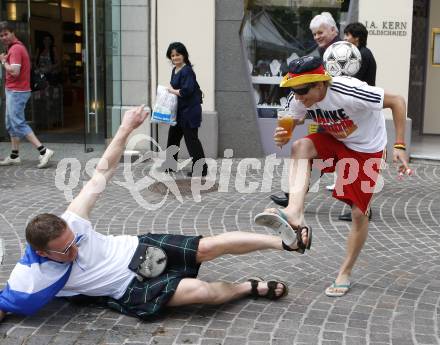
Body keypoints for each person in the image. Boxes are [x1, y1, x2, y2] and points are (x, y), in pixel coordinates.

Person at [0, 105, 292, 322]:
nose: (74, 248)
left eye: (73, 240)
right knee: (203, 293)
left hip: (137, 249)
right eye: (65, 250)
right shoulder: (32, 276)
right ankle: (247, 287)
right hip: (126, 287)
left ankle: (284, 243)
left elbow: (102, 171)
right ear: (44, 254)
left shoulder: (73, 221)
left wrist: (126, 128)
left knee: (208, 246)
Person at [255, 56, 411, 297]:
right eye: (294, 91)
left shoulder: (350, 91)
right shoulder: (301, 96)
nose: (298, 96)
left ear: (320, 84)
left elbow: (397, 101)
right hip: (337, 140)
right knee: (300, 148)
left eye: (303, 90)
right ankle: (295, 212)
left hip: (367, 149)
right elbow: (295, 117)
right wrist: (287, 133)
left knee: (359, 214)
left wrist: (400, 145)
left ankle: (345, 272)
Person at [270, 12, 340, 207]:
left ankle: (358, 206)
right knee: (310, 155)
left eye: (320, 32)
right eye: (314, 34)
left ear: (333, 30)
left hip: (344, 118)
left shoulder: (339, 52)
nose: (317, 37)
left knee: (344, 158)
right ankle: (293, 196)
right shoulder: (321, 54)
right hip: (327, 117)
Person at [0, 21, 54, 168]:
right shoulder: (13, 48)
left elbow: (15, 72)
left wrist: (3, 62)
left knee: (18, 123)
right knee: (10, 124)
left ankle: (44, 151)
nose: (3, 37)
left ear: (13, 33)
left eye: (6, 34)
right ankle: (14, 155)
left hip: (17, 92)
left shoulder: (16, 49)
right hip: (13, 90)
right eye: (1, 35)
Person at [161, 42, 207, 177]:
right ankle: (170, 165)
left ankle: (201, 169)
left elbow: (186, 91)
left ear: (184, 55)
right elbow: (175, 87)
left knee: (191, 140)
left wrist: (171, 91)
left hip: (190, 111)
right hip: (179, 111)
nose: (175, 58)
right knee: (173, 138)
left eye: (178, 55)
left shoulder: (187, 71)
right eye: (172, 55)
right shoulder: (175, 70)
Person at [34, 33, 61, 129]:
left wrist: (49, 68)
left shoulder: (53, 49)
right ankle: (40, 121)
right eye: (45, 39)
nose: (47, 41)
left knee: (51, 100)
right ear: (42, 41)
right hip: (41, 76)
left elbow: (58, 62)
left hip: (51, 76)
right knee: (40, 100)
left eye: (49, 40)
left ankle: (52, 121)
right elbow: (35, 62)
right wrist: (39, 69)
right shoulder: (39, 49)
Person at [344, 22, 377, 87]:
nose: (344, 38)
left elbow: (354, 80)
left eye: (347, 35)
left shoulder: (363, 54)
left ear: (357, 37)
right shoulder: (359, 52)